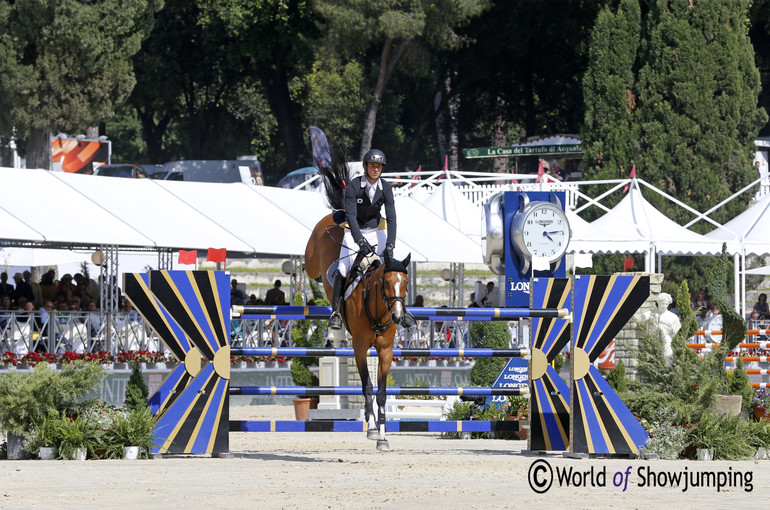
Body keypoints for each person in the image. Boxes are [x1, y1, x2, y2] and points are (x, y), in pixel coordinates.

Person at [329, 148, 415, 330]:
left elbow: (391, 217)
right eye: (372, 166)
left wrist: (391, 244)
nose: (376, 169)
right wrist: (360, 241)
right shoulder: (354, 186)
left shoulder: (386, 188)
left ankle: (403, 312)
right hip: (354, 230)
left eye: (379, 166)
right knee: (344, 268)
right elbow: (351, 216)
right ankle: (335, 312)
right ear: (365, 167)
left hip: (377, 230)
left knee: (391, 269)